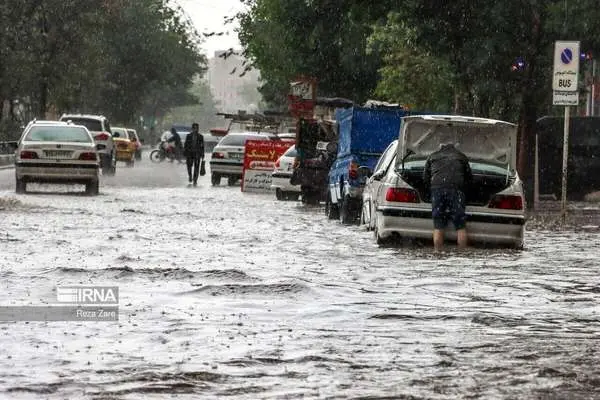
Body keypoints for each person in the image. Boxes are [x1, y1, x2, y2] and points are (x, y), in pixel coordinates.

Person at [423, 138, 473, 251]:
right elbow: (469, 179)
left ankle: (437, 252)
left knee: (438, 224)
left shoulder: (432, 156)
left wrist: (430, 191)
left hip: (437, 189)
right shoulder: (461, 156)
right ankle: (461, 253)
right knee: (460, 225)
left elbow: (425, 178)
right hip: (456, 190)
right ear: (455, 145)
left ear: (440, 145)